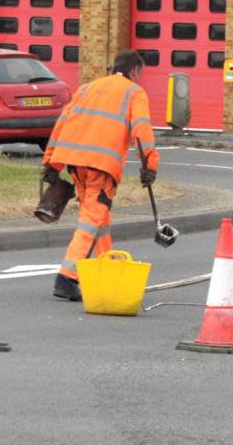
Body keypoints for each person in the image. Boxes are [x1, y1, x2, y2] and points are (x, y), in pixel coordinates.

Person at [41, 50, 160, 301]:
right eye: (141, 74)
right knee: (92, 219)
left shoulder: (86, 88)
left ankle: (106, 269)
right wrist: (150, 165)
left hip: (76, 164)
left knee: (98, 219)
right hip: (101, 166)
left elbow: (62, 123)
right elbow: (141, 129)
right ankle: (66, 277)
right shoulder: (134, 92)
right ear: (135, 71)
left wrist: (52, 162)